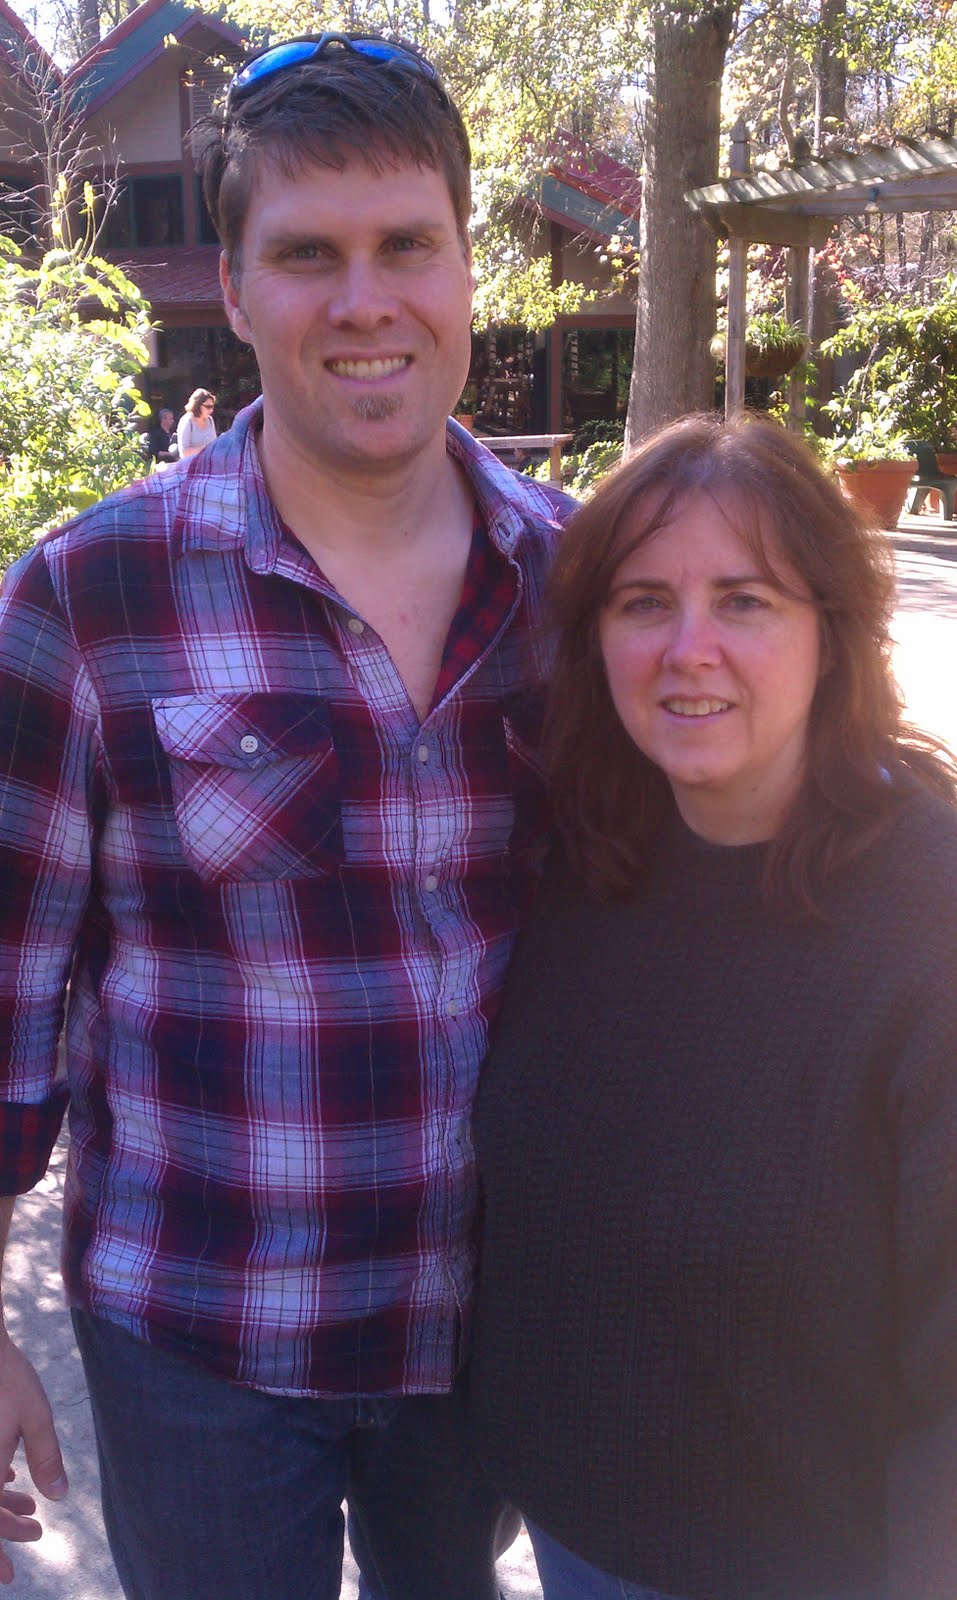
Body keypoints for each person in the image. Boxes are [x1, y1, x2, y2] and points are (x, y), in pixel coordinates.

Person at [0, 31, 574, 1600]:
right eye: (308, 254)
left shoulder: (582, 583)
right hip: (202, 1334)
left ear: (467, 267)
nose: (365, 300)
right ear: (237, 293)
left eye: (407, 245)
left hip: (497, 1327)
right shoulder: (87, 598)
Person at [470, 411, 957, 1600]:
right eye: (644, 602)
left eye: (745, 600)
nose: (689, 648)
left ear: (832, 634)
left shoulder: (929, 918)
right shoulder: (585, 861)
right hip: (577, 1542)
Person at [176, 387, 217, 457]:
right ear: (197, 405)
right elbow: (184, 452)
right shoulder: (187, 421)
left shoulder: (210, 420)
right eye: (208, 406)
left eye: (212, 406)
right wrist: (205, 448)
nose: (211, 410)